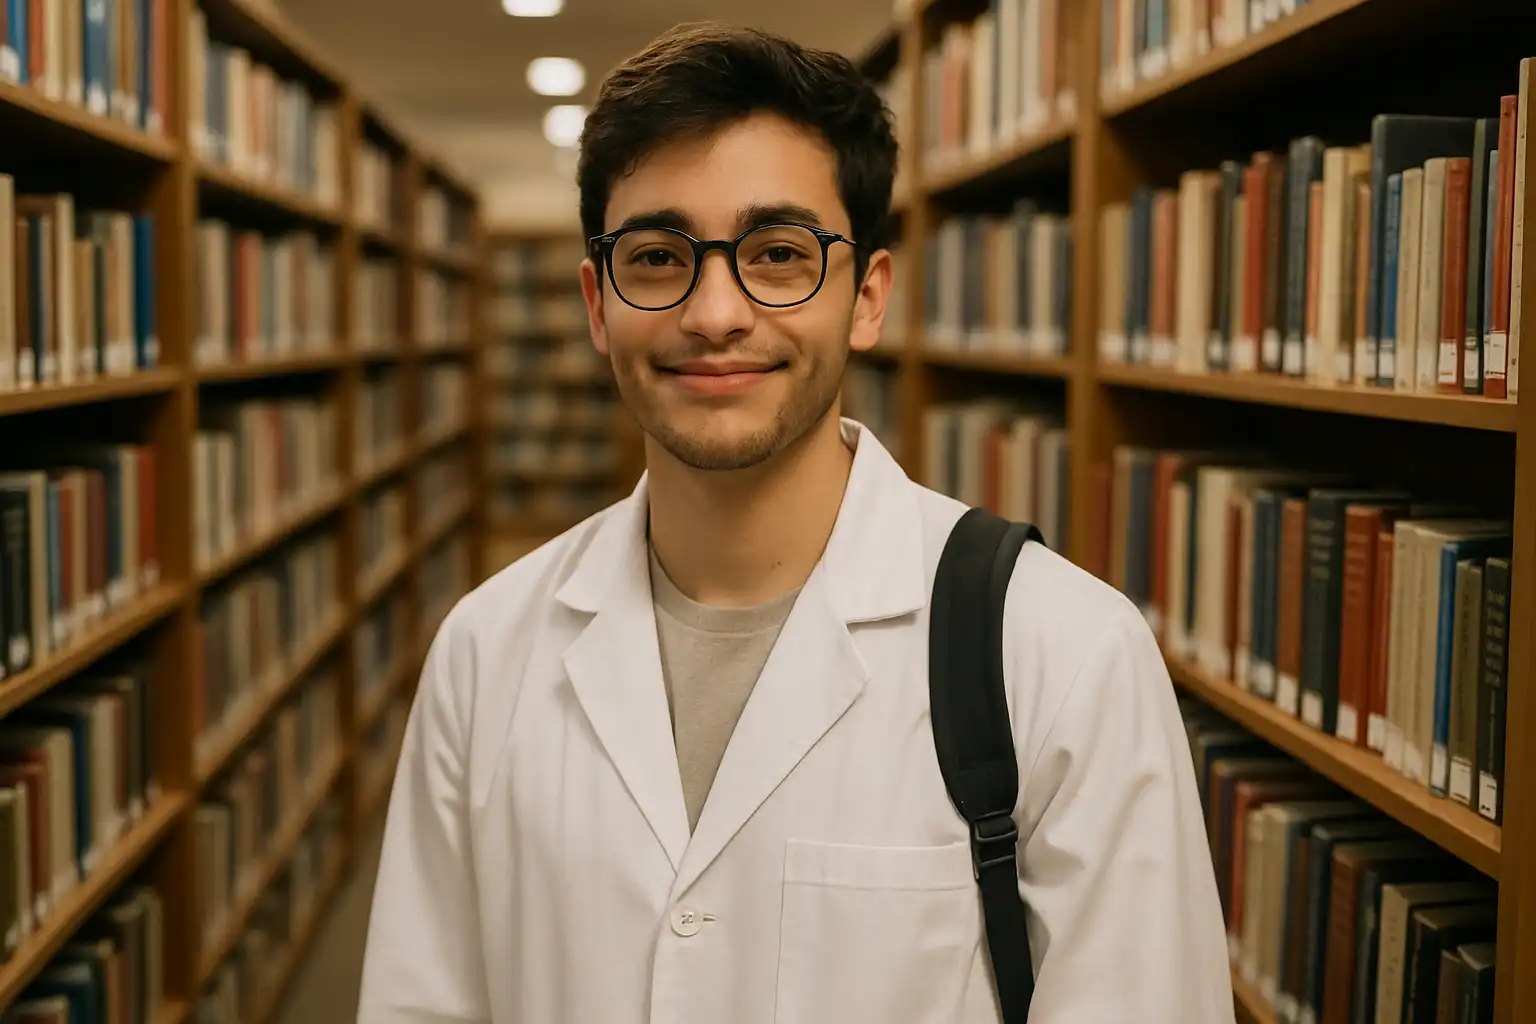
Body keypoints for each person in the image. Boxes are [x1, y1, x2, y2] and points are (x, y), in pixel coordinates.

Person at [356, 20, 1235, 1024]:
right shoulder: (484, 649)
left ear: (866, 298)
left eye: (777, 253)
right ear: (598, 306)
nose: (716, 311)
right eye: (658, 256)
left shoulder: (1062, 651)